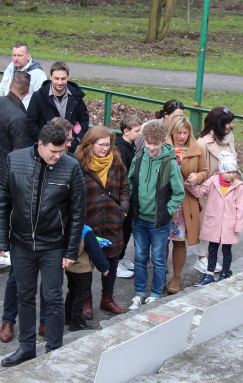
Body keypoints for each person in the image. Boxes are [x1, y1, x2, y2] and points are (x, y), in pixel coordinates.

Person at [0, 122, 86, 367]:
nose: (57, 156)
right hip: (22, 243)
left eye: (61, 151)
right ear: (40, 145)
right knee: (24, 295)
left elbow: (78, 212)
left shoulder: (71, 167)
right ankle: (26, 348)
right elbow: (2, 203)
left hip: (54, 243)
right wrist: (2, 240)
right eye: (53, 151)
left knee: (53, 296)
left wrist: (70, 250)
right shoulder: (15, 161)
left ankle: (55, 348)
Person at [0, 43, 46, 205]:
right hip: (7, 114)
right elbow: (2, 87)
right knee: (2, 152)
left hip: (21, 119)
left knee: (14, 154)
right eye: (14, 55)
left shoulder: (38, 75)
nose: (16, 58)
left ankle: (5, 192)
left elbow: (39, 98)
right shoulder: (11, 68)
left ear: (28, 56)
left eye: (19, 55)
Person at [128, 121, 185, 310]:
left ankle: (155, 293)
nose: (151, 148)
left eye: (155, 143)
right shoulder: (138, 158)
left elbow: (179, 193)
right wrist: (132, 202)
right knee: (140, 256)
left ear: (162, 141)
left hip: (159, 222)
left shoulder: (170, 163)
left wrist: (167, 211)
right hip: (139, 219)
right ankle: (139, 293)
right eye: (148, 143)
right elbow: (130, 182)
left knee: (159, 259)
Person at [76, 126, 130, 317]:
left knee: (112, 260)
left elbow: (125, 187)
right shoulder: (79, 163)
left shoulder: (116, 161)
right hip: (89, 222)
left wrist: (123, 209)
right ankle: (86, 301)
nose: (105, 149)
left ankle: (107, 299)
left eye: (108, 145)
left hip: (113, 221)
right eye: (101, 145)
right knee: (86, 263)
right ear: (90, 144)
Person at [0, 72, 32, 265]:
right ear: (27, 91)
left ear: (10, 85)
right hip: (5, 166)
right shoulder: (19, 117)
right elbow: (19, 150)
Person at [186, 151, 243, 286]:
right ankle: (210, 274)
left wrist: (238, 225)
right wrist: (191, 185)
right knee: (212, 248)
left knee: (226, 250)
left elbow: (240, 208)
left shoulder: (238, 187)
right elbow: (200, 192)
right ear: (221, 171)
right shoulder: (213, 182)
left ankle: (225, 273)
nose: (231, 175)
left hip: (229, 224)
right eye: (228, 172)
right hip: (214, 222)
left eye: (233, 172)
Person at [166, 115, 208, 295]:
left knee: (179, 241)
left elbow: (204, 171)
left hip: (184, 202)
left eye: (185, 132)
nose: (182, 136)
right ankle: (161, 275)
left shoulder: (195, 148)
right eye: (179, 133)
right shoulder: (163, 147)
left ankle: (176, 277)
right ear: (172, 132)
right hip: (165, 201)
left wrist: (197, 177)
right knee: (161, 242)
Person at [193, 106, 237, 274]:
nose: (230, 126)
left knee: (221, 226)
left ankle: (210, 258)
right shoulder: (203, 143)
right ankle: (201, 258)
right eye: (227, 123)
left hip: (227, 190)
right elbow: (200, 169)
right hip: (209, 192)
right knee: (206, 225)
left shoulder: (229, 138)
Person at [26, 61, 90, 152]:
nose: (60, 82)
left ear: (68, 77)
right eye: (56, 78)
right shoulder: (39, 96)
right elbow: (31, 122)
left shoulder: (76, 97)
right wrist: (44, 141)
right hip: (46, 148)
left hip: (68, 148)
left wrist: (76, 140)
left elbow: (84, 119)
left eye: (63, 79)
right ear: (51, 77)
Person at [64, 226, 111, 331]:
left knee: (72, 291)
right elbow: (95, 251)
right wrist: (104, 267)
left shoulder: (66, 228)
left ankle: (67, 315)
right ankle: (76, 320)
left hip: (70, 267)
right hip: (83, 269)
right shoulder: (85, 230)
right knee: (82, 294)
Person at [114, 113, 142, 277]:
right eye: (137, 131)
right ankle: (116, 261)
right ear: (126, 131)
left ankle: (121, 257)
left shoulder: (130, 146)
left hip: (128, 196)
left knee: (127, 228)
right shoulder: (122, 150)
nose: (140, 134)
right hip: (123, 197)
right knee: (122, 229)